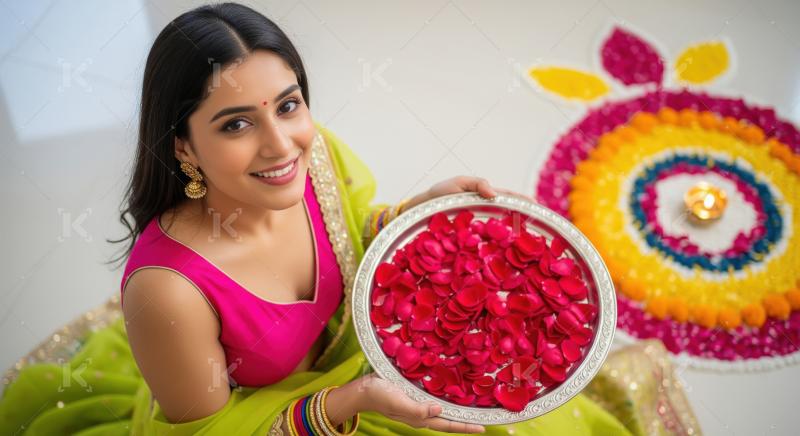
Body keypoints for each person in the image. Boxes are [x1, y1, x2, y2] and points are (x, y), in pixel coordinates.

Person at [0, 3, 691, 435]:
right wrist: (350, 403)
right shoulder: (169, 293)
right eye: (236, 123)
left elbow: (351, 235)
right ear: (181, 144)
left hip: (362, 365)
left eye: (289, 104)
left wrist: (415, 215)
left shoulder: (316, 157)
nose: (281, 146)